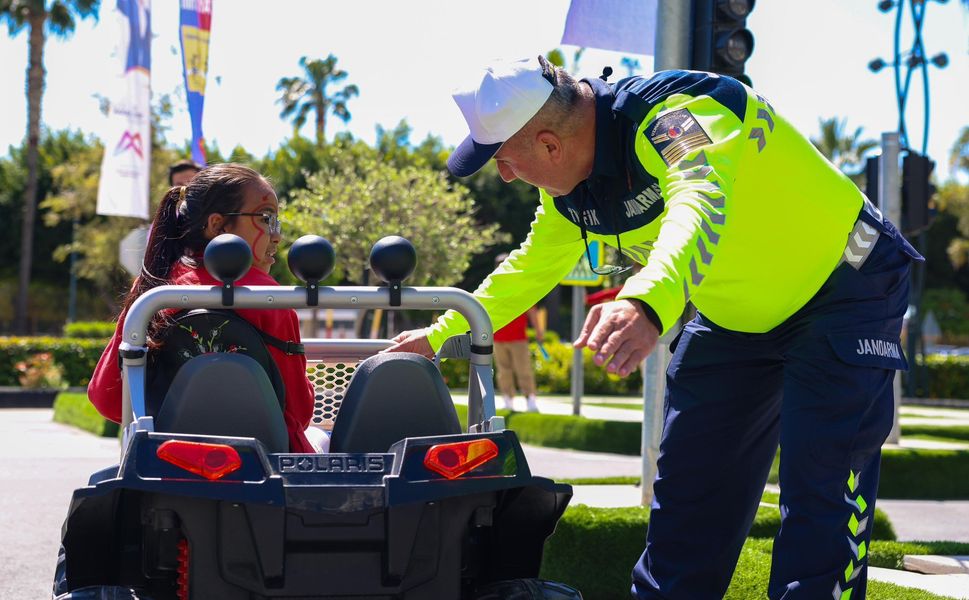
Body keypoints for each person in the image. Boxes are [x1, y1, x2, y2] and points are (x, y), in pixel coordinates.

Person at [387, 56, 922, 599]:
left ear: (549, 145)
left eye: (504, 159)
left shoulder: (678, 115)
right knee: (690, 499)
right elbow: (528, 267)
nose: (504, 174)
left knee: (821, 488)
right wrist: (435, 337)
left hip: (845, 286)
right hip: (735, 319)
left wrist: (644, 303)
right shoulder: (569, 194)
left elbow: (699, 204)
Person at [89, 163, 318, 453]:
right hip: (269, 464)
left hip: (167, 462)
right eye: (265, 218)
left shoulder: (153, 291)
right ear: (217, 225)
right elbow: (299, 413)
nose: (276, 236)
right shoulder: (268, 298)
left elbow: (107, 399)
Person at [491, 253, 545, 412]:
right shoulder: (493, 286)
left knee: (524, 369)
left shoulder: (521, 285)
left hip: (518, 337)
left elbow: (531, 310)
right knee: (503, 371)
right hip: (498, 337)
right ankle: (508, 399)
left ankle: (530, 399)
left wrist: (538, 330)